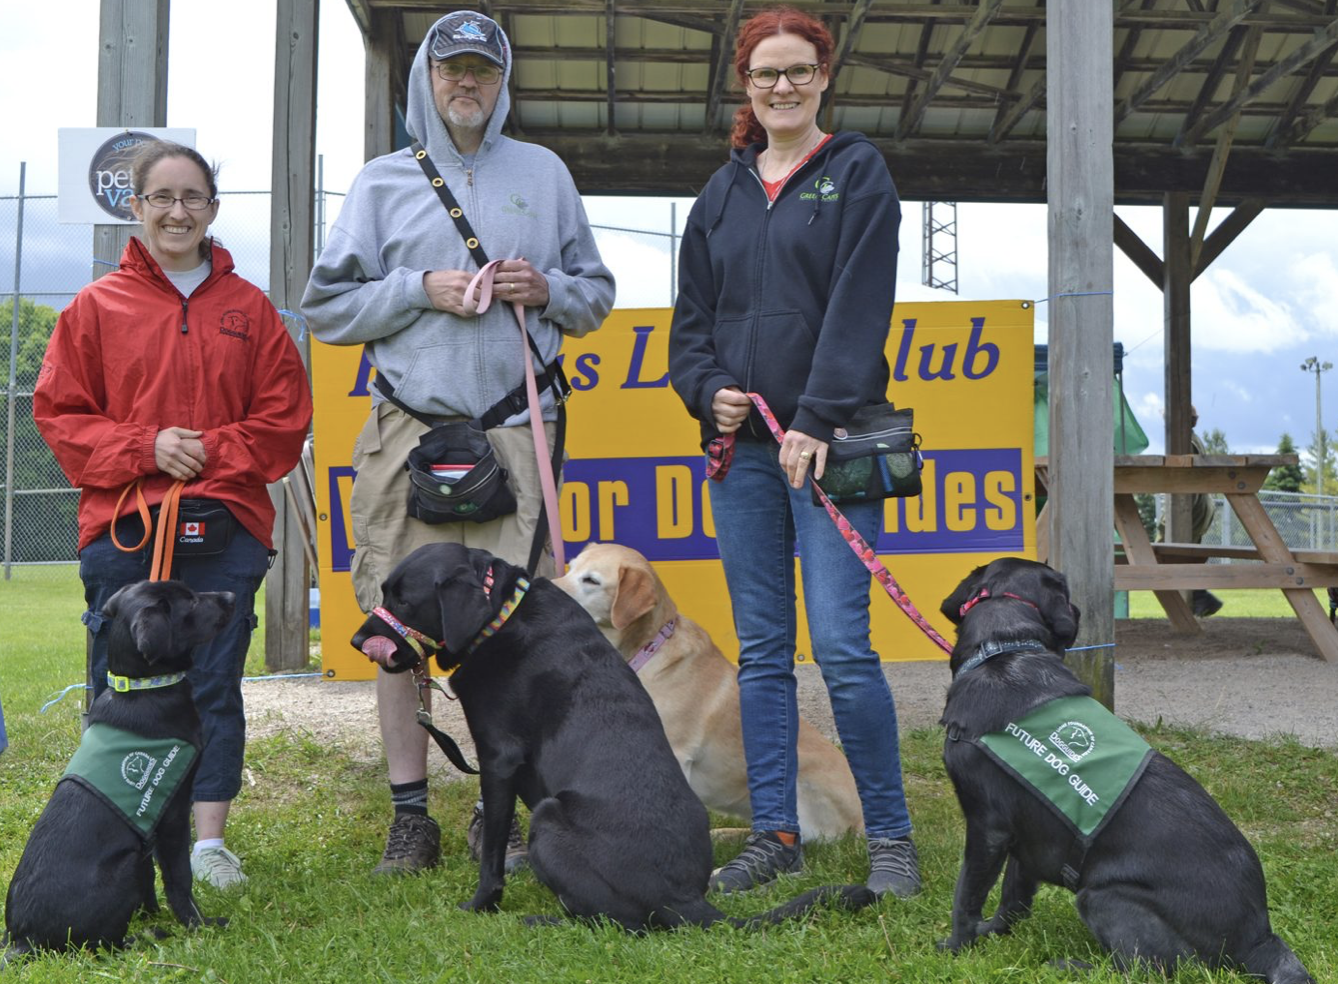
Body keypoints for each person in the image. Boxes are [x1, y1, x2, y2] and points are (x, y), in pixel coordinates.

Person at [302, 10, 614, 876]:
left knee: (509, 628)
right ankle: (412, 814)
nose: (466, 84)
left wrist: (547, 286)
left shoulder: (545, 176)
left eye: (481, 69)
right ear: (426, 81)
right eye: (451, 71)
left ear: (502, 80)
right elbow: (325, 308)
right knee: (394, 628)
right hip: (408, 433)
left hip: (517, 431)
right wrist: (417, 290)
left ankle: (498, 811)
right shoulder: (379, 184)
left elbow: (596, 295)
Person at [667, 6, 920, 899]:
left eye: (798, 71)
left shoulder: (857, 172)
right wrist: (709, 393)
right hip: (742, 460)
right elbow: (687, 331)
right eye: (766, 73)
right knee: (764, 651)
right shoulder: (718, 196)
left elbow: (860, 311)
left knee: (845, 647)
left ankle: (891, 835)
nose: (782, 86)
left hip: (834, 449)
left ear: (824, 79)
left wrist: (813, 417)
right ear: (747, 85)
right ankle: (774, 832)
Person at [33, 140, 312, 889]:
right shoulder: (95, 308)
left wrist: (205, 455)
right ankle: (113, 830)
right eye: (163, 197)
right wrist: (147, 447)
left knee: (214, 683)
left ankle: (206, 845)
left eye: (193, 198)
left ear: (213, 211)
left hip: (224, 531)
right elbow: (60, 416)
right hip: (123, 528)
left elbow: (284, 419)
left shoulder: (249, 310)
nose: (178, 211)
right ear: (136, 208)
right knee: (117, 687)